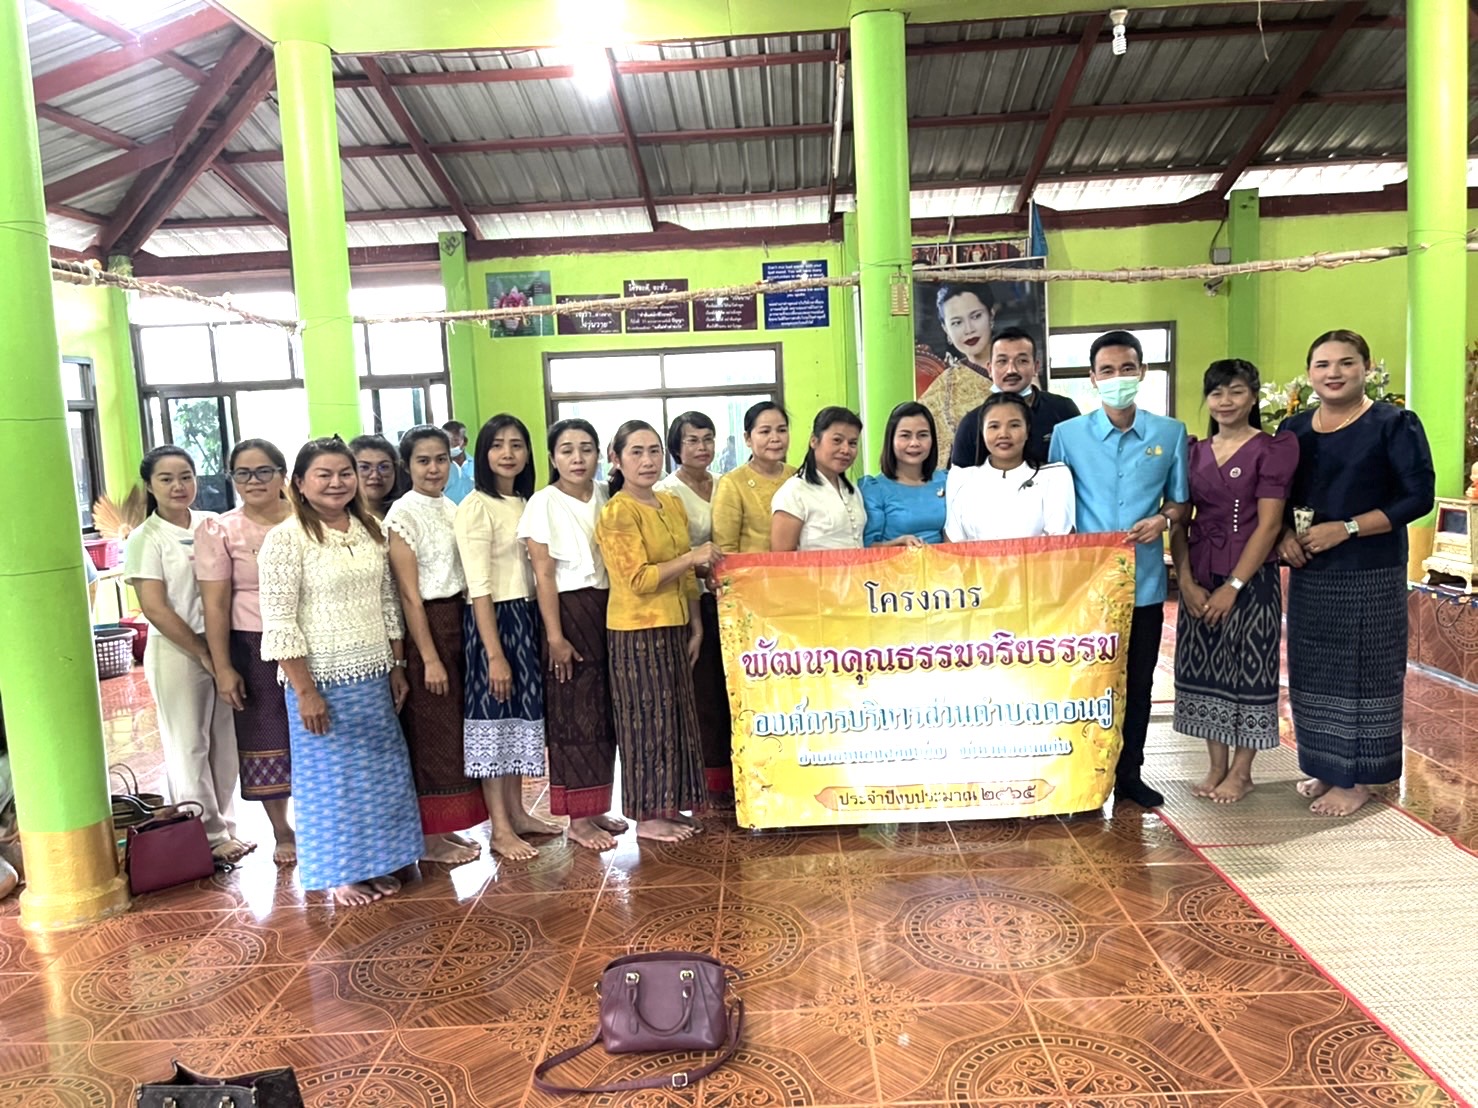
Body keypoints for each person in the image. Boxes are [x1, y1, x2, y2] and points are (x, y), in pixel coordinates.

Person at [1276, 330, 1434, 817]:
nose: (1334, 373)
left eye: (1346, 362)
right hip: (1312, 571)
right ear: (1309, 373)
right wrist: (1284, 535)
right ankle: (1326, 766)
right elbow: (1275, 495)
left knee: (1365, 673)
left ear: (1367, 368)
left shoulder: (1393, 424)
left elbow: (1417, 498)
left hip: (1370, 570)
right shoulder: (1293, 429)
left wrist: (1346, 529)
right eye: (1322, 364)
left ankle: (1361, 777)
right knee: (1314, 670)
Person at [258, 438, 422, 906]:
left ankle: (377, 864)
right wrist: (305, 691)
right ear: (299, 484)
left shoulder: (370, 529)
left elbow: (388, 603)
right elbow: (280, 622)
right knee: (332, 782)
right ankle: (341, 874)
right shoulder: (286, 539)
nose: (337, 483)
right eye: (324, 475)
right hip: (321, 681)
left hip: (373, 674)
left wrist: (397, 665)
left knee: (378, 775)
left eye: (345, 473)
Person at [1049, 330, 1189, 809]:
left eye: (1126, 368)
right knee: (1084, 681)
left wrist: (1162, 519)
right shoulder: (1067, 436)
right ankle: (1080, 772)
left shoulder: (1169, 433)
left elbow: (1181, 503)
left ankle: (1130, 773)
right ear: (1092, 378)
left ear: (1142, 372)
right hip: (1086, 586)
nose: (1117, 378)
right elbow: (1056, 509)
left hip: (1144, 584)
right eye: (1106, 370)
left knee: (1138, 681)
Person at [1170, 361, 1299, 804]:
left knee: (1249, 671)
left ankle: (1242, 772)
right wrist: (1186, 582)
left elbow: (1270, 524)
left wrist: (1234, 586)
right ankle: (1216, 766)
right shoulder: (1192, 451)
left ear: (1253, 396)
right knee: (1205, 669)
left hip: (1251, 577)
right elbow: (1179, 519)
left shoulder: (1272, 448)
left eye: (1236, 391)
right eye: (1217, 393)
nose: (1225, 401)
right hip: (1200, 573)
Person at [123, 445, 252, 864]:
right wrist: (201, 651)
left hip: (222, 644)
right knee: (189, 744)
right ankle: (207, 835)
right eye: (166, 479)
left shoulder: (211, 523)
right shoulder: (146, 538)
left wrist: (220, 651)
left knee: (225, 741)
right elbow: (155, 608)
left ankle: (226, 825)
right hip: (178, 649)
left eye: (186, 477)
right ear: (150, 486)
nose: (178, 486)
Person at [596, 420, 716, 842]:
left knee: (676, 721)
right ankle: (646, 817)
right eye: (636, 452)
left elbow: (684, 575)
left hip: (675, 626)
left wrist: (695, 625)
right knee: (645, 724)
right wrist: (693, 558)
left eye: (653, 451)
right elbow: (638, 579)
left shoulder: (670, 503)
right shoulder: (618, 512)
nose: (647, 461)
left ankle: (670, 805)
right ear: (616, 459)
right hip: (635, 632)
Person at [454, 415, 563, 859]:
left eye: (516, 444)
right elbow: (478, 587)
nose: (508, 453)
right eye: (497, 445)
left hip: (526, 617)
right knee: (493, 725)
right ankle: (499, 828)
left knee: (519, 722)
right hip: (492, 622)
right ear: (483, 454)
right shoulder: (475, 506)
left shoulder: (527, 502)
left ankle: (518, 813)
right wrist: (494, 655)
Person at [517, 419, 625, 851]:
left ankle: (596, 806)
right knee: (575, 715)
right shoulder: (543, 503)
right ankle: (578, 821)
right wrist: (555, 636)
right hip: (567, 611)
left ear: (600, 454)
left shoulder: (606, 494)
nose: (577, 458)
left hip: (608, 607)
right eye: (567, 450)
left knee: (604, 714)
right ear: (552, 457)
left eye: (586, 449)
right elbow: (543, 574)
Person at [384, 425, 488, 866]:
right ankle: (428, 840)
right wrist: (428, 658)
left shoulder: (451, 507)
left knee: (453, 731)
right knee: (431, 734)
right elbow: (408, 595)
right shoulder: (402, 515)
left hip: (459, 622)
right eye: (423, 460)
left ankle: (444, 827)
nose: (433, 468)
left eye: (441, 459)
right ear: (406, 465)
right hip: (427, 626)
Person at [195, 439, 296, 864]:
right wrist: (223, 667)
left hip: (314, 641)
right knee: (265, 734)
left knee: (322, 730)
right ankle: (282, 829)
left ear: (283, 475)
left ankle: (325, 818)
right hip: (253, 646)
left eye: (264, 471)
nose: (254, 481)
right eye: (243, 473)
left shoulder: (307, 518)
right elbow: (215, 605)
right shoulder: (220, 530)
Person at [657, 412, 734, 803]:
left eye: (708, 439)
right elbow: (671, 553)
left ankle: (736, 776)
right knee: (703, 694)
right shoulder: (666, 492)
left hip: (731, 599)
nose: (702, 447)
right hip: (693, 599)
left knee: (731, 689)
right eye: (692, 440)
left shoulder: (725, 484)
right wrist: (702, 568)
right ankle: (708, 783)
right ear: (676, 447)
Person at [945, 392, 1076, 541]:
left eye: (1014, 425)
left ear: (1027, 430)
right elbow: (953, 544)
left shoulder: (1055, 476)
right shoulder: (960, 479)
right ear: (982, 431)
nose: (1004, 434)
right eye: (994, 426)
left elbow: (1060, 543)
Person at [949, 326, 1081, 469]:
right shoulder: (971, 422)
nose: (1011, 370)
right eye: (1002, 361)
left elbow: (1081, 462)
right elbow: (959, 477)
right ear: (989, 369)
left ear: (1036, 367)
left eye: (1022, 361)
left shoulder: (1063, 409)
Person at [771, 407, 867, 552]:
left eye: (852, 443)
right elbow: (782, 558)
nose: (846, 450)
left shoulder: (852, 490)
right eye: (837, 440)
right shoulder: (794, 492)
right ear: (814, 441)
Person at [919, 283, 996, 462]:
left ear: (991, 315)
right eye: (957, 322)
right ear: (946, 329)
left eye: (976, 316)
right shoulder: (942, 391)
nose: (968, 329)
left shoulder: (1019, 372)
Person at [860, 402, 947, 548]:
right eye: (905, 436)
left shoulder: (946, 480)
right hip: (894, 562)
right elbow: (868, 548)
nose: (914, 443)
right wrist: (897, 544)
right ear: (891, 440)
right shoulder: (874, 489)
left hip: (945, 561)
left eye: (923, 435)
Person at [712, 402, 794, 553]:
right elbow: (725, 548)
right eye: (765, 431)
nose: (775, 438)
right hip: (752, 568)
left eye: (782, 430)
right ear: (748, 438)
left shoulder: (797, 477)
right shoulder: (732, 483)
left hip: (799, 566)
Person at [350, 434, 402, 518]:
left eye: (384, 467)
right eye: (364, 467)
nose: (375, 475)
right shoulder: (338, 517)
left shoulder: (405, 512)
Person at [442, 420, 475, 504]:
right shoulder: (440, 467)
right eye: (447, 441)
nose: (451, 445)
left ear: (465, 442)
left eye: (455, 440)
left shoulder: (478, 466)